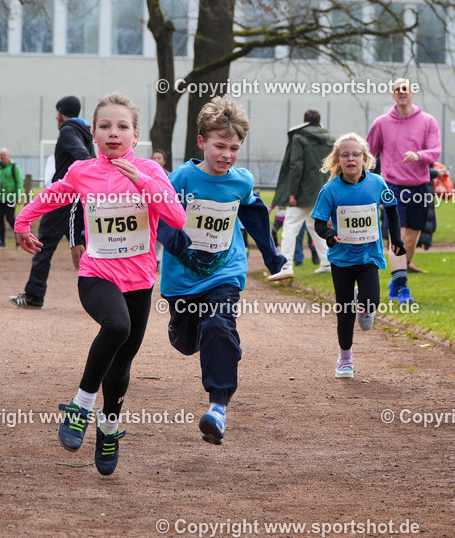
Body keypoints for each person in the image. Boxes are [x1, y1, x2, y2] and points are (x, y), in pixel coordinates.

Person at [15, 92, 186, 476]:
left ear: (135, 134)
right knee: (118, 326)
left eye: (122, 127)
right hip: (97, 274)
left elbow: (175, 217)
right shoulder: (83, 171)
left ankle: (108, 428)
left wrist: (142, 181)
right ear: (93, 133)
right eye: (105, 126)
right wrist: (22, 222)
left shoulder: (151, 171)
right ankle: (80, 405)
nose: (113, 133)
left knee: (122, 362)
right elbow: (53, 196)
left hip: (140, 281)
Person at [156, 96, 285, 445]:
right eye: (219, 146)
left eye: (234, 147)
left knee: (219, 324)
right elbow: (161, 219)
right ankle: (201, 337)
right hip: (182, 280)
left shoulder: (240, 182)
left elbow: (256, 216)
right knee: (186, 344)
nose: (227, 154)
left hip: (224, 273)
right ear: (201, 142)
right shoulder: (181, 177)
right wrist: (181, 247)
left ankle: (218, 407)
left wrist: (273, 258)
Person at [310, 133, 404, 378]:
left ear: (365, 159)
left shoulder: (376, 183)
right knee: (344, 311)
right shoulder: (330, 189)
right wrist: (330, 234)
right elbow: (318, 223)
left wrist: (396, 239)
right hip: (341, 259)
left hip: (368, 256)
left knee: (371, 302)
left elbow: (391, 209)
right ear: (337, 160)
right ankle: (345, 359)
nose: (350, 158)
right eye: (345, 154)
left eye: (356, 154)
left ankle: (364, 301)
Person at [10, 95, 92, 308]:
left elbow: (82, 156)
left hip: (62, 200)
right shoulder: (88, 133)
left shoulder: (68, 130)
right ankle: (105, 294)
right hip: (80, 200)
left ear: (61, 111)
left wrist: (73, 179)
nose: (56, 116)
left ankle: (34, 296)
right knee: (88, 248)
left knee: (42, 246)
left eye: (57, 111)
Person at [366, 77, 441, 301]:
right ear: (393, 94)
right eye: (397, 90)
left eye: (405, 89)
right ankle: (401, 285)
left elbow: (435, 150)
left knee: (412, 236)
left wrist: (419, 155)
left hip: (419, 185)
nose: (401, 93)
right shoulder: (381, 122)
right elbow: (370, 152)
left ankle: (398, 275)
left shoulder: (428, 121)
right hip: (392, 186)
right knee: (396, 237)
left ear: (413, 93)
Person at [266, 109, 334, 281]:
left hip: (303, 193)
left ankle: (286, 266)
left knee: (290, 228)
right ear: (319, 121)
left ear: (304, 120)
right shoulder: (330, 139)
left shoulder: (299, 138)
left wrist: (292, 192)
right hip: (323, 192)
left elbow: (296, 166)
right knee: (313, 225)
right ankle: (327, 263)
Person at [0, 148, 22, 249]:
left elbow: (19, 182)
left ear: (9, 156)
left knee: (10, 218)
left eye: (4, 155)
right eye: (1, 155)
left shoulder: (14, 167)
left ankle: (20, 239)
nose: (2, 157)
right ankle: (2, 242)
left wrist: (19, 196)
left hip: (10, 197)